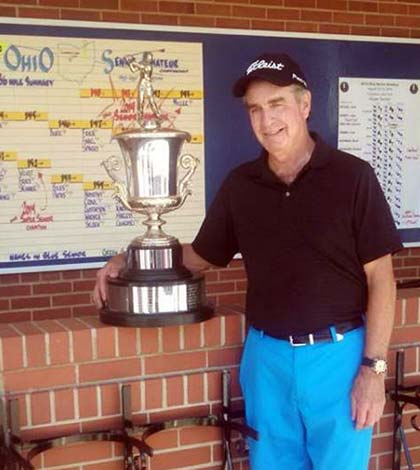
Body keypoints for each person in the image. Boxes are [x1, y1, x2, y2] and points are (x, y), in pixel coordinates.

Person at [94, 53, 403, 469]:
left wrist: (374, 369)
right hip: (266, 361)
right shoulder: (241, 185)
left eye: (277, 104)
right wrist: (130, 260)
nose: (266, 120)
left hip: (339, 359)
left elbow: (381, 277)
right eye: (255, 110)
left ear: (305, 105)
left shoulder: (352, 177)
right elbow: (201, 257)